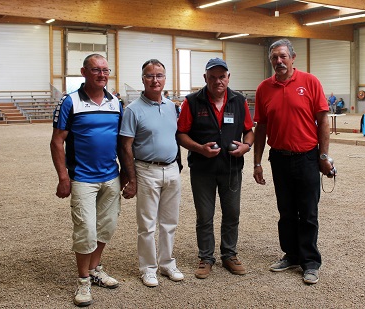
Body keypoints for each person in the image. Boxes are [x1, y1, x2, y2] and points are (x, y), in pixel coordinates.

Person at [253, 39, 333, 285]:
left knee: (308, 212)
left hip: (307, 157)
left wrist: (323, 156)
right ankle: (291, 255)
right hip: (279, 158)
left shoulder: (310, 82)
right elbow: (261, 128)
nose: (279, 61)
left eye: (283, 56)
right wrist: (256, 162)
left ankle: (310, 262)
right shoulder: (264, 88)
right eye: (274, 58)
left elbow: (324, 121)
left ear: (293, 57)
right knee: (286, 211)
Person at [50, 54, 123, 307]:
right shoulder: (70, 102)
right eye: (96, 70)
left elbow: (122, 142)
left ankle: (95, 270)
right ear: (84, 72)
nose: (102, 74)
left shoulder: (116, 102)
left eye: (105, 70)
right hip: (82, 178)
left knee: (107, 227)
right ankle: (83, 281)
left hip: (111, 177)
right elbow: (57, 140)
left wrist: (127, 174)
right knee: (86, 230)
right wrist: (63, 177)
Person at [177, 57, 254, 279]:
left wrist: (246, 146)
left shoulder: (239, 101)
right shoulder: (192, 101)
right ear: (205, 78)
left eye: (222, 76)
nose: (218, 81)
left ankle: (229, 255)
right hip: (202, 168)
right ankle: (206, 258)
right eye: (213, 77)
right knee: (205, 215)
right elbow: (181, 134)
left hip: (231, 167)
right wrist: (199, 148)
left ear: (228, 77)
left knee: (232, 212)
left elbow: (249, 130)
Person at [119, 59, 183, 287]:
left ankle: (167, 263)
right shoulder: (133, 110)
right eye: (150, 76)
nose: (155, 80)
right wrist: (132, 179)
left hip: (172, 169)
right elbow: (125, 146)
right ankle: (148, 268)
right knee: (147, 224)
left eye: (159, 75)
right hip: (147, 169)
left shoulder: (171, 106)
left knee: (170, 221)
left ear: (165, 78)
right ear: (143, 79)